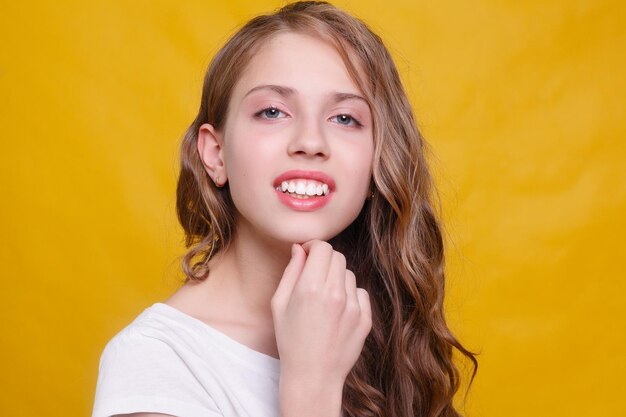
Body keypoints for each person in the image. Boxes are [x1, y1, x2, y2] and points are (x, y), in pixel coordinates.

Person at [92, 2, 477, 417]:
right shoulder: (155, 367)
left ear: (377, 162)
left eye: (345, 118)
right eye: (272, 111)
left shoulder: (386, 334)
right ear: (216, 154)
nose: (311, 141)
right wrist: (312, 385)